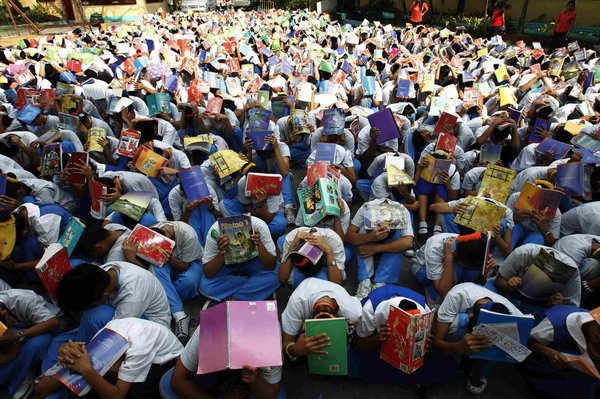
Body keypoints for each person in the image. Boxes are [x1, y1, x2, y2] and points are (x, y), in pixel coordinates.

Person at [34, 318, 183, 399]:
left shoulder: (139, 348)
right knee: (94, 382)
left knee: (134, 392)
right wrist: (68, 354)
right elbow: (85, 361)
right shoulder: (108, 333)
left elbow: (117, 395)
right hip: (140, 349)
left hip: (164, 363)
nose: (111, 369)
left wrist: (87, 370)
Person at [161, 324, 284, 399]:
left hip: (254, 375)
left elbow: (270, 394)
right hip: (212, 375)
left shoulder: (270, 345)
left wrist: (256, 380)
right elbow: (178, 380)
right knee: (168, 386)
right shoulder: (205, 334)